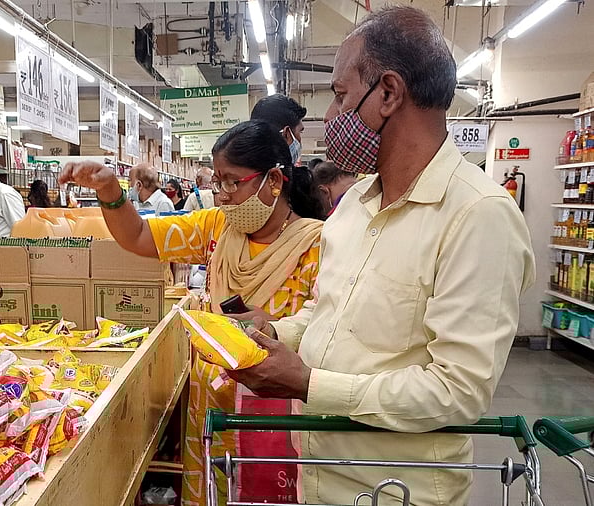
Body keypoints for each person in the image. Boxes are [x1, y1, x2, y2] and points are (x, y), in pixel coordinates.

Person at [228, 7, 535, 506]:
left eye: (341, 95)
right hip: (318, 477)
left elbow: (457, 390)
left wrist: (309, 384)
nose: (330, 117)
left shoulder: (478, 216)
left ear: (388, 93)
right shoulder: (354, 205)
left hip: (396, 491)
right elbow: (330, 313)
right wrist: (273, 331)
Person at [58, 120, 326, 506]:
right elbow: (137, 237)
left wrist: (272, 326)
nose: (222, 196)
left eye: (233, 182)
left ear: (274, 180)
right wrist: (111, 192)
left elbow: (324, 327)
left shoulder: (316, 244)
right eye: (218, 182)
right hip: (212, 408)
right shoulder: (217, 228)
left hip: (276, 412)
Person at [251, 94, 308, 166]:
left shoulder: (240, 167)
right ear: (287, 134)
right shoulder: (284, 175)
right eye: (300, 132)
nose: (300, 139)